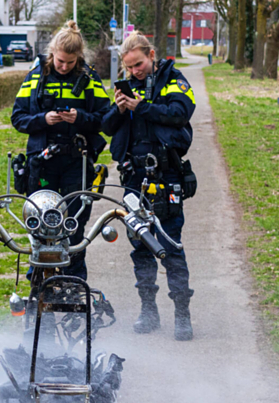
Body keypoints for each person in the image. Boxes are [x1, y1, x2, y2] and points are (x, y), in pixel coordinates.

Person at [102, 32, 197, 340]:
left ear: (152, 54)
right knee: (140, 247)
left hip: (166, 176)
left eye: (139, 64)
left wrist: (140, 107)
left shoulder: (173, 79)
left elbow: (181, 113)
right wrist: (119, 108)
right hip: (133, 179)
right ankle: (149, 311)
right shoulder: (126, 87)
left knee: (170, 245)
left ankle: (182, 315)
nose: (135, 72)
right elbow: (105, 126)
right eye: (129, 68)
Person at [11, 21, 110, 280]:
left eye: (70, 62)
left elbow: (105, 119)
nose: (64, 67)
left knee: (73, 226)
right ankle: (38, 281)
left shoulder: (89, 78)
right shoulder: (35, 77)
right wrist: (44, 119)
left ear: (78, 57)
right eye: (60, 61)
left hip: (77, 162)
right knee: (41, 225)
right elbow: (18, 117)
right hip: (42, 162)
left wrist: (80, 117)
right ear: (52, 52)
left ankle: (75, 282)